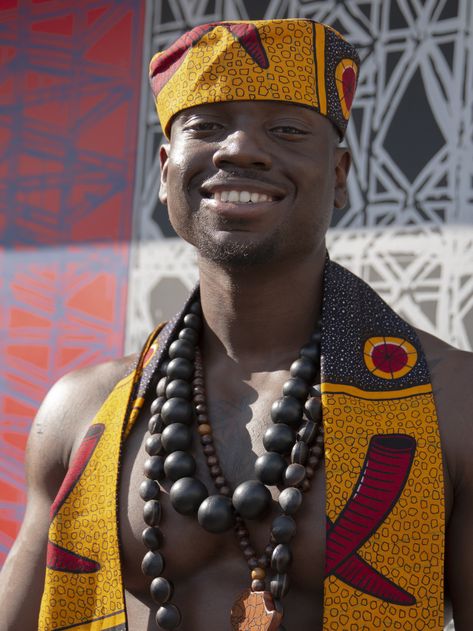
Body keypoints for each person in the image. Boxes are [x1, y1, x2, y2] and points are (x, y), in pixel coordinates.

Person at [0, 18, 472, 631]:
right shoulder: (84, 411)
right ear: (167, 169)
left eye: (286, 129)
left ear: (340, 176)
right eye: (208, 126)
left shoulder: (452, 403)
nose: (240, 149)